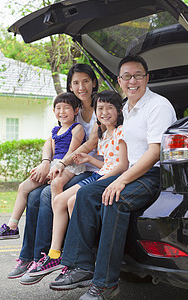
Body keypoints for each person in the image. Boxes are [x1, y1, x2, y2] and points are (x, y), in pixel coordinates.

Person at [48, 55, 177, 299]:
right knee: (85, 194)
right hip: (131, 171)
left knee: (114, 200)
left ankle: (106, 284)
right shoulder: (126, 108)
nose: (132, 80)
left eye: (137, 75)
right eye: (126, 76)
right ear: (119, 81)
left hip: (153, 174)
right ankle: (80, 266)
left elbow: (154, 152)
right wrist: (115, 175)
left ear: (146, 78)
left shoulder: (158, 106)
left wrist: (122, 180)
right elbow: (125, 154)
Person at [5, 64, 103, 285]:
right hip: (67, 166)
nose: (81, 86)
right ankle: (28, 256)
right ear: (70, 86)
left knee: (49, 194)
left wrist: (61, 162)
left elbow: (91, 143)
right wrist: (46, 163)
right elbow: (53, 139)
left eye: (86, 81)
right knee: (33, 195)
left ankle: (47, 256)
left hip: (90, 168)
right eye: (76, 82)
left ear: (94, 82)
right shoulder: (69, 108)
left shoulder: (101, 107)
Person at [25, 90, 129, 279]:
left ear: (120, 111)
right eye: (100, 108)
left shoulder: (122, 132)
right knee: (59, 202)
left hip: (107, 178)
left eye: (109, 108)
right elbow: (107, 163)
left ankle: (79, 255)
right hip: (100, 173)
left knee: (73, 201)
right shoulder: (103, 135)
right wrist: (89, 158)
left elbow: (122, 165)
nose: (104, 112)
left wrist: (103, 176)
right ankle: (55, 254)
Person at [0, 92, 86, 240]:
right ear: (54, 111)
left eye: (66, 108)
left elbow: (72, 153)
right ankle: (12, 226)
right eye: (58, 108)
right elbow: (52, 152)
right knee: (24, 187)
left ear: (76, 110)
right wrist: (46, 166)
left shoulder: (77, 128)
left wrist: (57, 167)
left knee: (56, 183)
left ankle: (58, 228)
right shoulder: (55, 130)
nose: (62, 112)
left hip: (70, 165)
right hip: (54, 164)